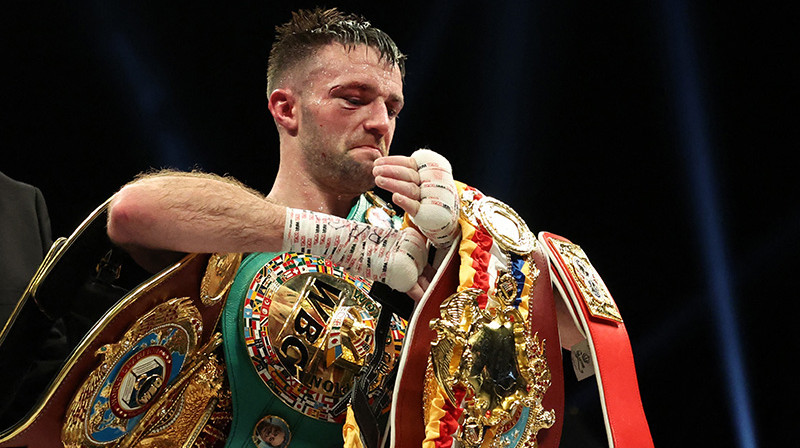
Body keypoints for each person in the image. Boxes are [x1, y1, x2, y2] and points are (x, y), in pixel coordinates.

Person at [106, 7, 459, 447]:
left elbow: (559, 334)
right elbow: (129, 211)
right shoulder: (223, 230)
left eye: (392, 107)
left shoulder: (411, 248)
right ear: (286, 108)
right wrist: (342, 242)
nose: (380, 123)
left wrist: (470, 243)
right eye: (353, 99)